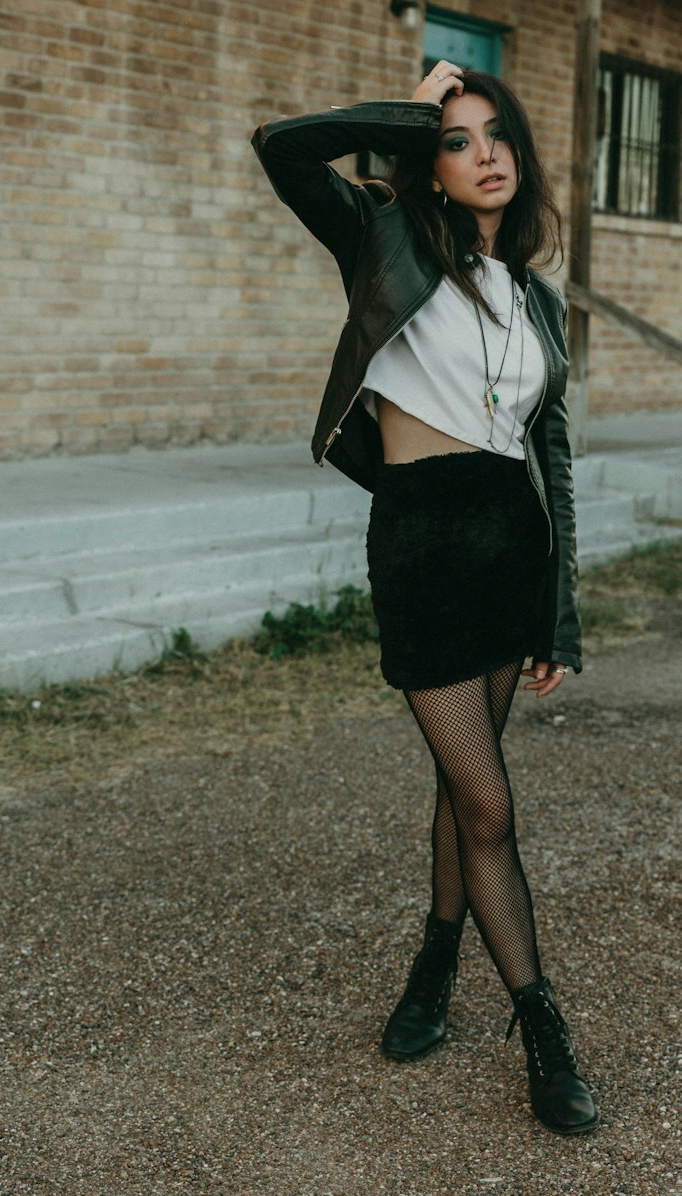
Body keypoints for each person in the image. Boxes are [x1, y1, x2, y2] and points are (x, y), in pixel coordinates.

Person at [251, 61, 596, 1135]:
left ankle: (434, 963)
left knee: (465, 790)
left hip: (509, 546)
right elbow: (281, 147)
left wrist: (559, 610)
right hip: (421, 543)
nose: (483, 153)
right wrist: (409, 109)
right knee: (488, 802)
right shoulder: (380, 238)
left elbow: (553, 456)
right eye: (456, 139)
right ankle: (541, 1025)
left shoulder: (535, 298)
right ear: (427, 166)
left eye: (496, 135)